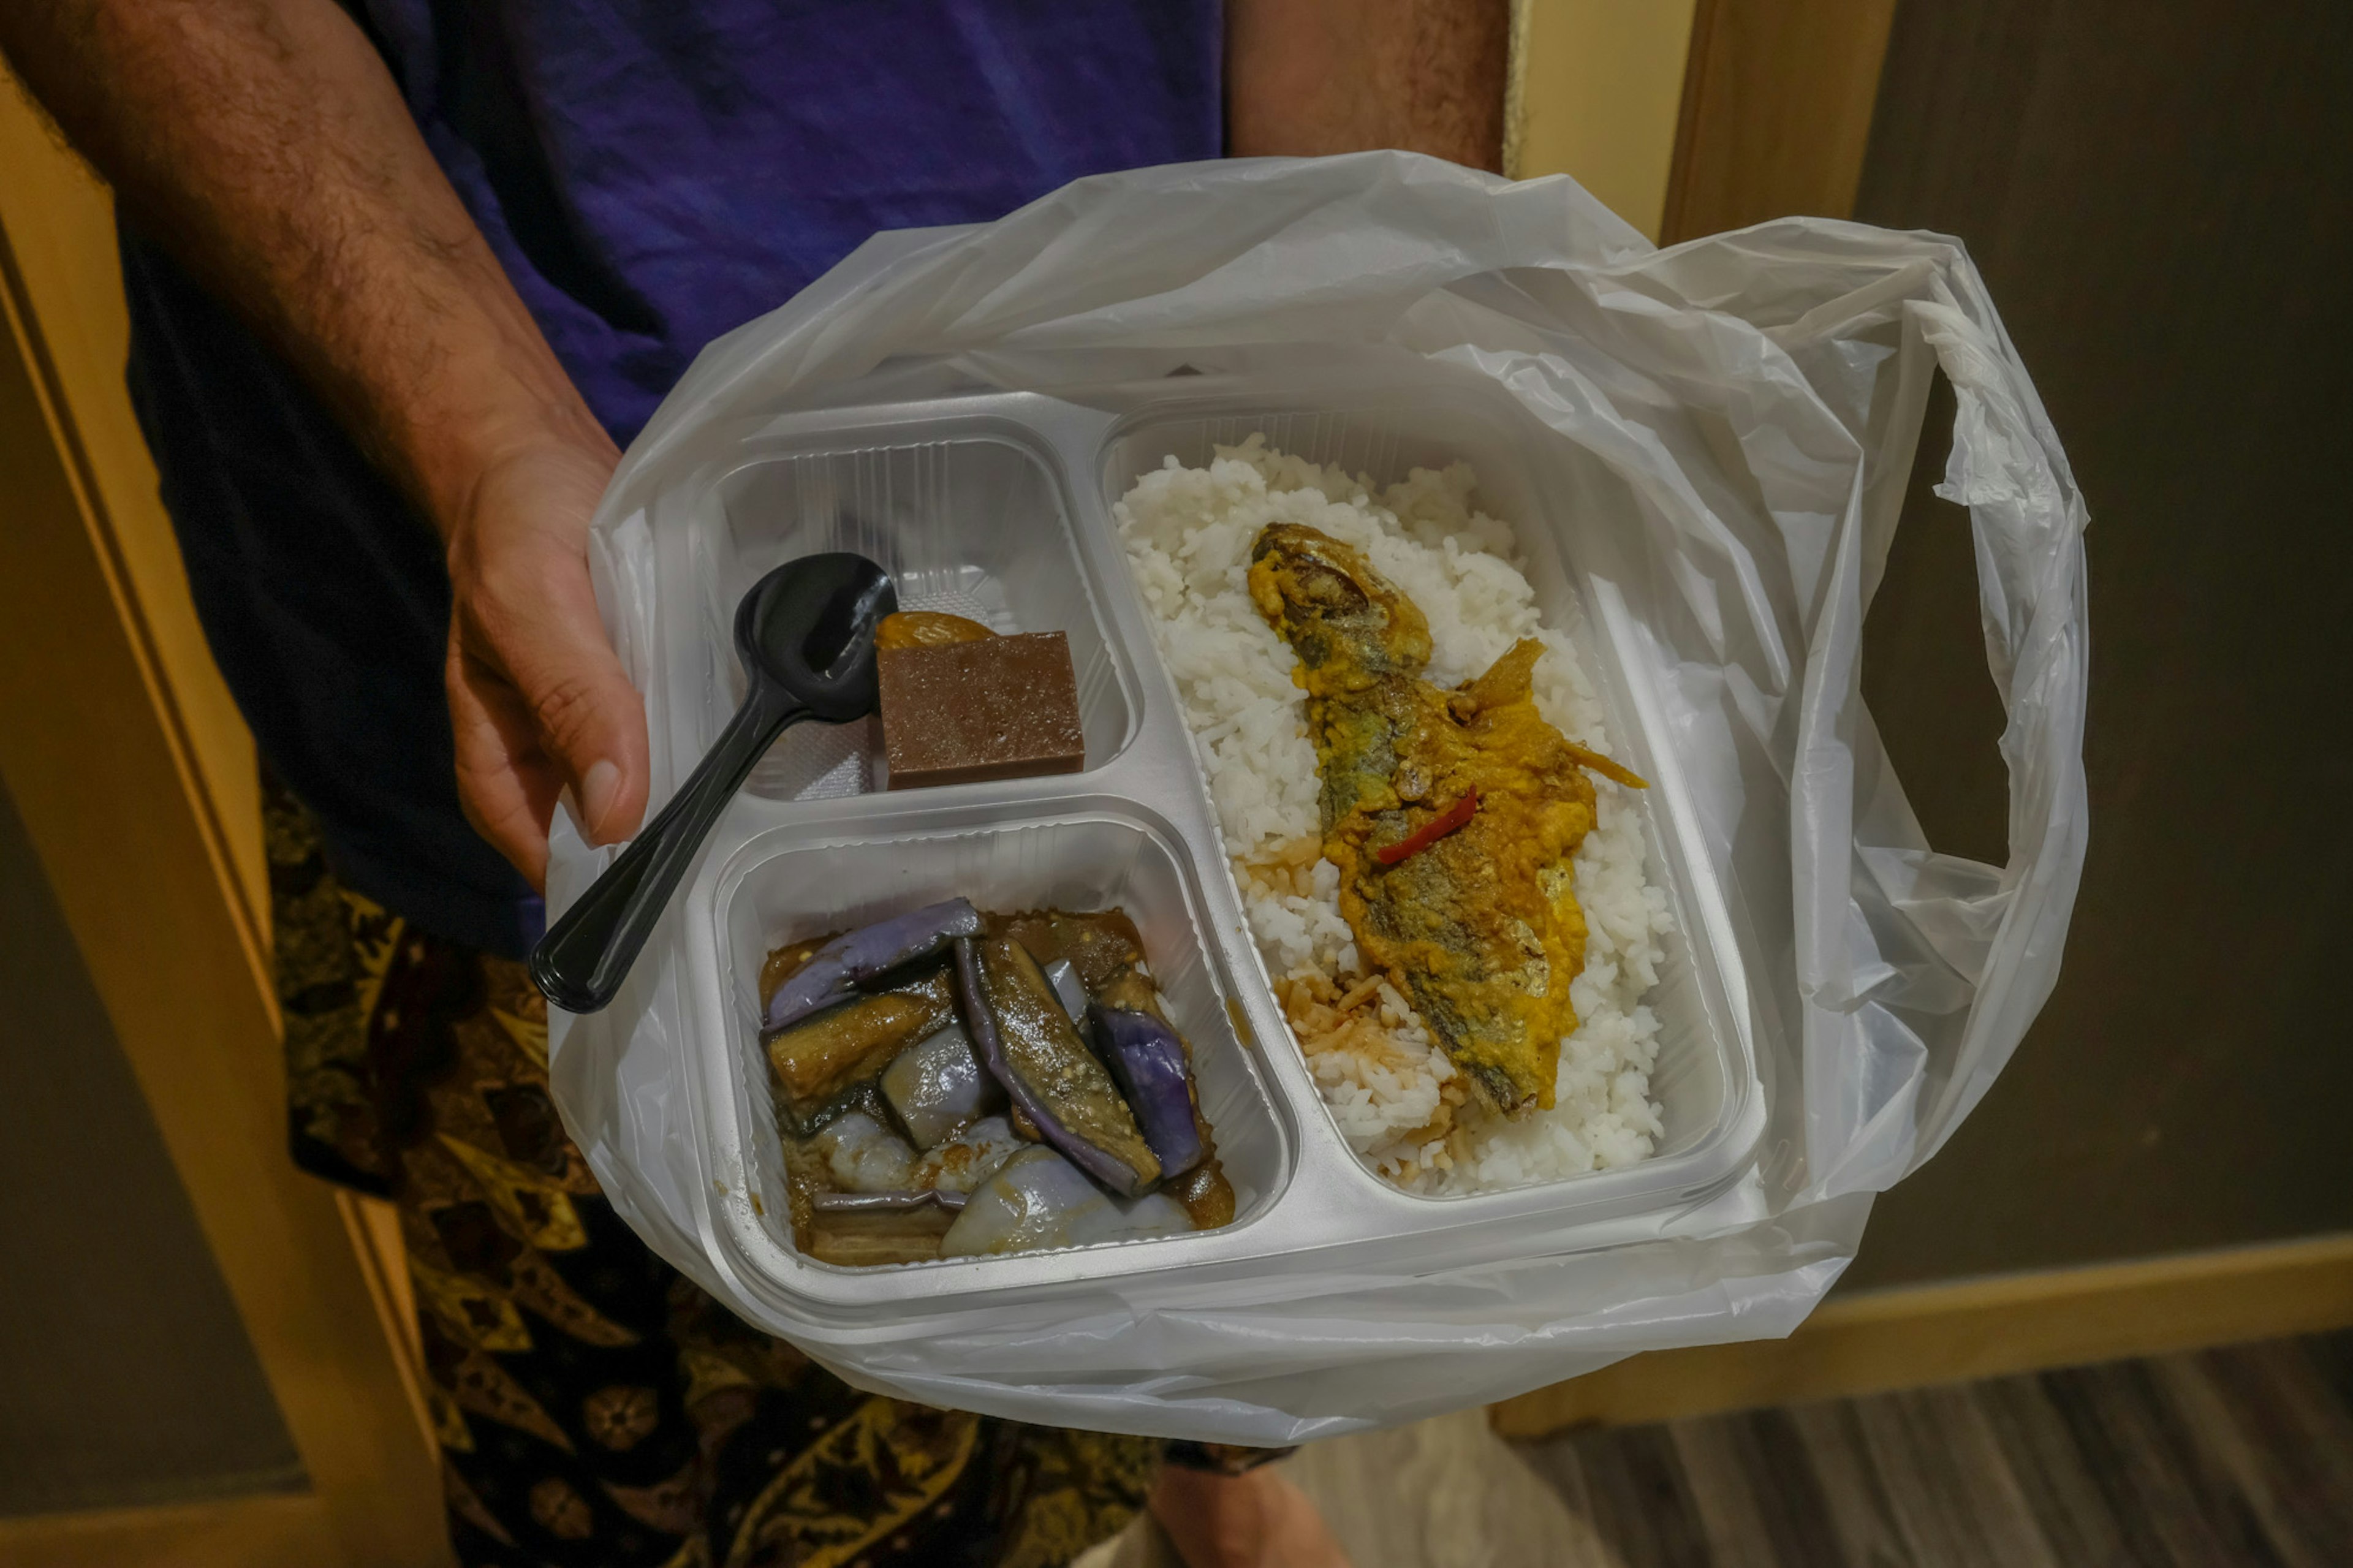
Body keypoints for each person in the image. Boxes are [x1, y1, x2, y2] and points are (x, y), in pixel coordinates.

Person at [0, 3, 1506, 1563]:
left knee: (1213, 1155)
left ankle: (1190, 1460)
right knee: (670, 1332)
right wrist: (480, 436)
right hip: (490, 496)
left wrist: (1360, 317)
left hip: (1137, 377)